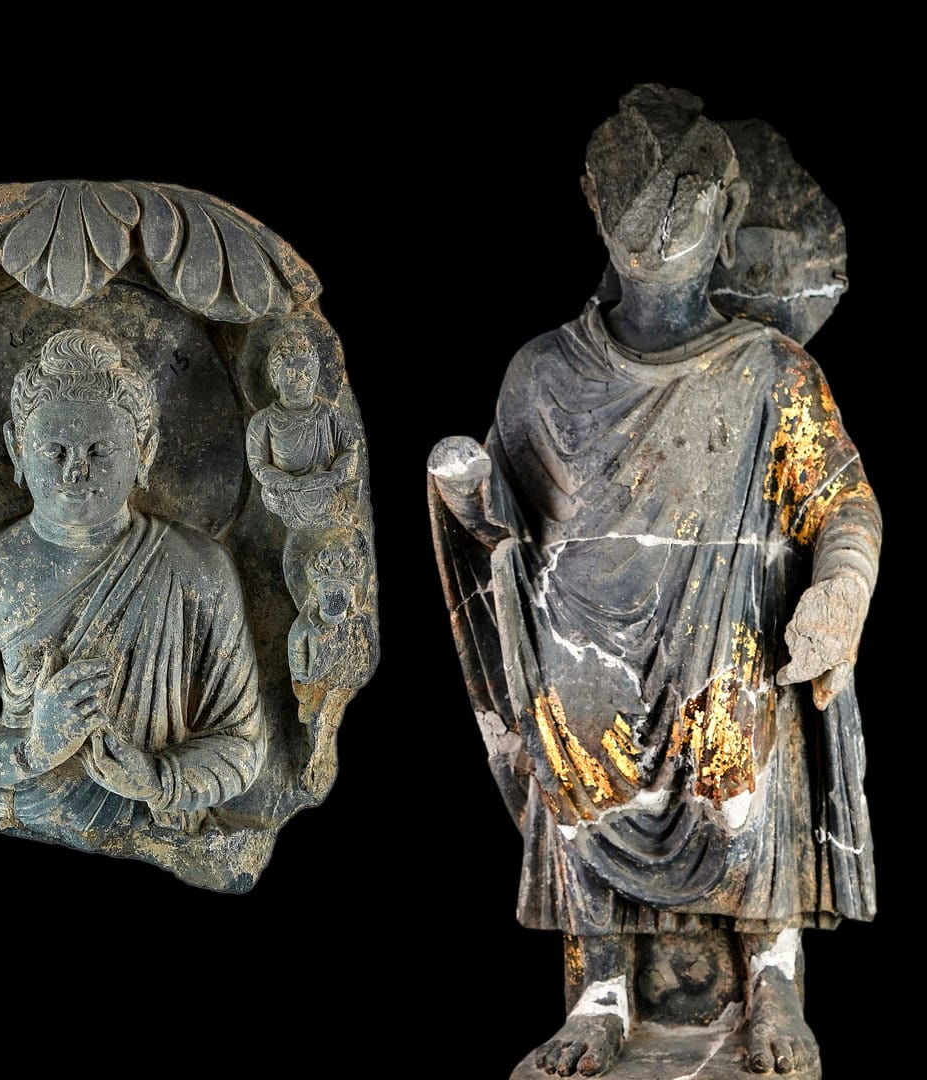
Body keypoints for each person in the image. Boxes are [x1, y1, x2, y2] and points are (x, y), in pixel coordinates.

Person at [429, 85, 877, 1077]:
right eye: (631, 200)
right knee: (573, 727)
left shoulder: (770, 370)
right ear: (592, 202)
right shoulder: (541, 374)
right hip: (583, 643)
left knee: (737, 720)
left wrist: (838, 596)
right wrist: (469, 500)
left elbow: (841, 502)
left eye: (686, 203)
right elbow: (509, 538)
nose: (659, 229)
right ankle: (598, 994)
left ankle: (771, 979)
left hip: (724, 636)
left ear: (729, 211)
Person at [0, 329, 265, 843]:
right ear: (17, 449)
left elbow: (244, 744)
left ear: (144, 452)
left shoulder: (197, 567)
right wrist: (32, 748)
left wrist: (158, 778)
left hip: (157, 831)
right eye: (54, 450)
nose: (76, 471)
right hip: (25, 821)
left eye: (100, 450)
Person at [244, 333, 359, 531]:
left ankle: (334, 517)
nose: (302, 380)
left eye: (308, 372)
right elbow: (258, 465)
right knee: (269, 494)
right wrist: (292, 482)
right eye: (292, 373)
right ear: (275, 377)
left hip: (326, 486)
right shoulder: (264, 420)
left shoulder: (328, 412)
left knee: (346, 491)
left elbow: (349, 449)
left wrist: (336, 474)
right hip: (289, 492)